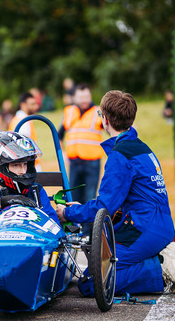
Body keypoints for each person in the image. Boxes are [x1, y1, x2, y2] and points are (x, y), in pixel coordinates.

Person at [55, 90, 175, 297]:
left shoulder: (120, 156)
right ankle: (158, 257)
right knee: (97, 264)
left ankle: (160, 268)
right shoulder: (141, 147)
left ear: (105, 120)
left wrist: (68, 213)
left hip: (144, 229)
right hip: (158, 225)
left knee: (92, 284)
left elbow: (104, 207)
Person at [0, 131, 60, 235]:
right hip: (0, 247)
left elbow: (54, 226)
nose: (23, 171)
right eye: (16, 165)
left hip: (33, 245)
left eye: (25, 164)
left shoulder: (36, 192)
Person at [58, 83, 104, 236]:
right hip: (74, 162)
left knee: (89, 197)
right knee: (73, 197)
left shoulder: (98, 112)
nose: (84, 99)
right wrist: (63, 153)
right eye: (80, 96)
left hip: (92, 162)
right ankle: (72, 232)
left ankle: (89, 234)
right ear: (75, 97)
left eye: (86, 96)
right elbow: (60, 134)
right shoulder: (69, 111)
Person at [8, 92, 41, 170]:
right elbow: (22, 145)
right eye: (32, 104)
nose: (36, 106)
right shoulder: (23, 120)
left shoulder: (18, 118)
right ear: (23, 105)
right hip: (29, 167)